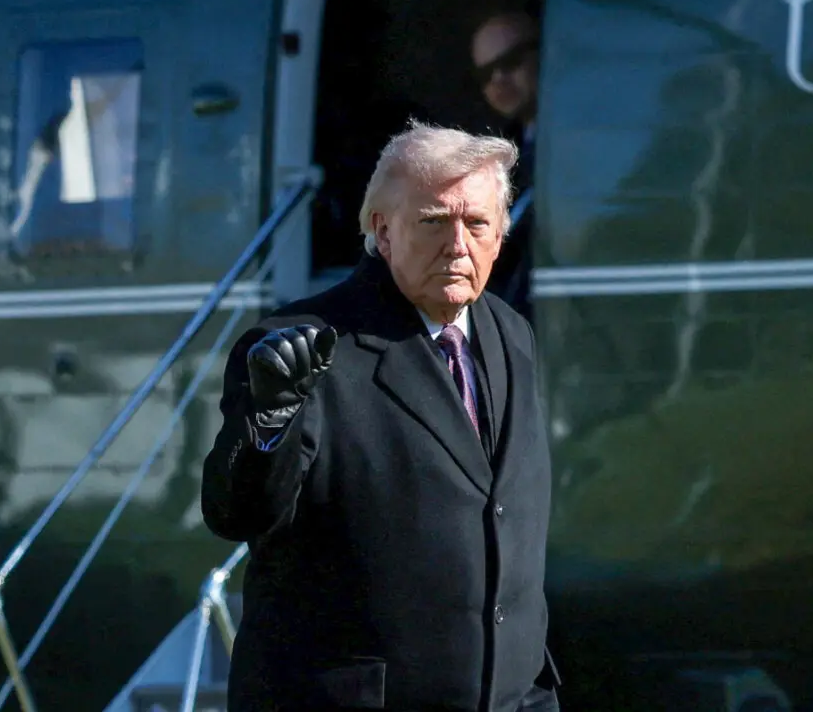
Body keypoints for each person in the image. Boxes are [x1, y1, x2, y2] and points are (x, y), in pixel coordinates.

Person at [201, 121, 561, 711]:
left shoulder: (509, 332)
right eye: (433, 222)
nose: (458, 245)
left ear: (501, 233)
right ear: (382, 230)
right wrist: (268, 424)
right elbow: (235, 513)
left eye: (477, 224)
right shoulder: (303, 347)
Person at [470, 1, 541, 320]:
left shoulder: (584, 140)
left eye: (511, 61)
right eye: (486, 73)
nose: (498, 78)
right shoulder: (492, 156)